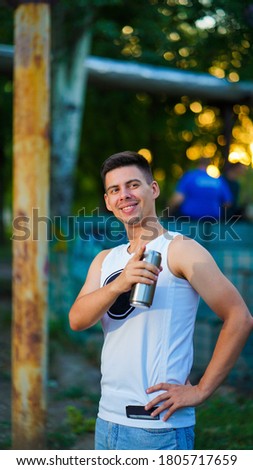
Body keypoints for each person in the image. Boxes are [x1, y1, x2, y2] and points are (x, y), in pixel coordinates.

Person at [69, 151, 253, 450]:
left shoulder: (180, 250)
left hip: (158, 430)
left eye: (133, 185)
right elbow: (77, 320)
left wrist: (201, 390)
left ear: (152, 189)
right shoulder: (105, 259)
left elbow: (240, 317)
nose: (124, 195)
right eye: (115, 190)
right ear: (107, 201)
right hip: (107, 423)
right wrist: (121, 284)